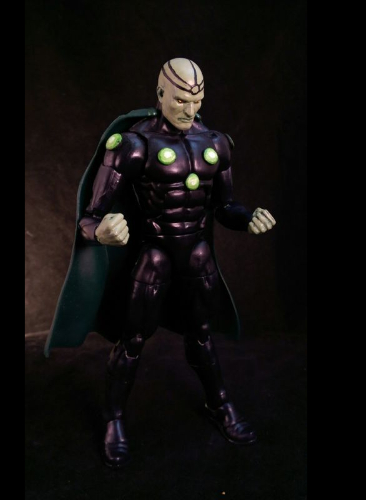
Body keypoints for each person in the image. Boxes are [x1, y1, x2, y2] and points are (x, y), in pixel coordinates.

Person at [60, 58, 276, 468]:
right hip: (154, 257)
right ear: (160, 94)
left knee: (201, 335)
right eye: (180, 100)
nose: (189, 110)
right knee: (133, 341)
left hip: (197, 257)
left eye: (197, 100)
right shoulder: (134, 145)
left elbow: (225, 206)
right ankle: (115, 419)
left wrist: (248, 218)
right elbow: (89, 218)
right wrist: (101, 231)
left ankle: (220, 404)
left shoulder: (216, 143)